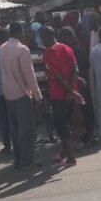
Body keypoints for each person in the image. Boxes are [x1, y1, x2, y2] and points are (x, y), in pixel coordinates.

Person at [0, 22, 43, 170]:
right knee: (26, 130)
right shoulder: (22, 49)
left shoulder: (2, 48)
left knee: (15, 130)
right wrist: (38, 96)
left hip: (8, 94)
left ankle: (18, 159)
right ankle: (26, 161)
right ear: (21, 32)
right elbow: (29, 76)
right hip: (22, 93)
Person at [41, 26, 85, 168]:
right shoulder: (67, 48)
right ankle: (64, 153)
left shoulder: (48, 53)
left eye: (41, 37)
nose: (40, 40)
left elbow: (58, 77)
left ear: (47, 36)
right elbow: (75, 70)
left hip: (59, 95)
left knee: (62, 126)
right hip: (70, 95)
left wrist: (69, 92)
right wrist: (72, 91)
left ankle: (71, 158)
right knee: (67, 122)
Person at [59, 27, 96, 147]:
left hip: (69, 86)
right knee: (85, 110)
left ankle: (80, 137)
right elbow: (85, 68)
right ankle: (88, 135)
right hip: (77, 85)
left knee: (72, 113)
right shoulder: (76, 51)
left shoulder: (60, 52)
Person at [25, 25, 55, 143]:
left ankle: (51, 134)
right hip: (31, 88)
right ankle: (34, 137)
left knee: (48, 112)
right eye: (26, 37)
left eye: (30, 36)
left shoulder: (43, 50)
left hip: (45, 86)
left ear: (35, 37)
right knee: (32, 114)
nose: (28, 39)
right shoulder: (23, 52)